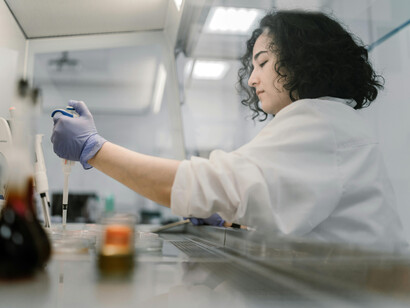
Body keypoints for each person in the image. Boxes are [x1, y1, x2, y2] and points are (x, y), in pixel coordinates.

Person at [51, 10, 407, 250]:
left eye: (263, 63)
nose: (252, 79)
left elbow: (208, 184)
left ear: (303, 60)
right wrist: (232, 218)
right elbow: (294, 213)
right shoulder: (329, 120)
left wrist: (94, 150)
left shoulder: (319, 119)